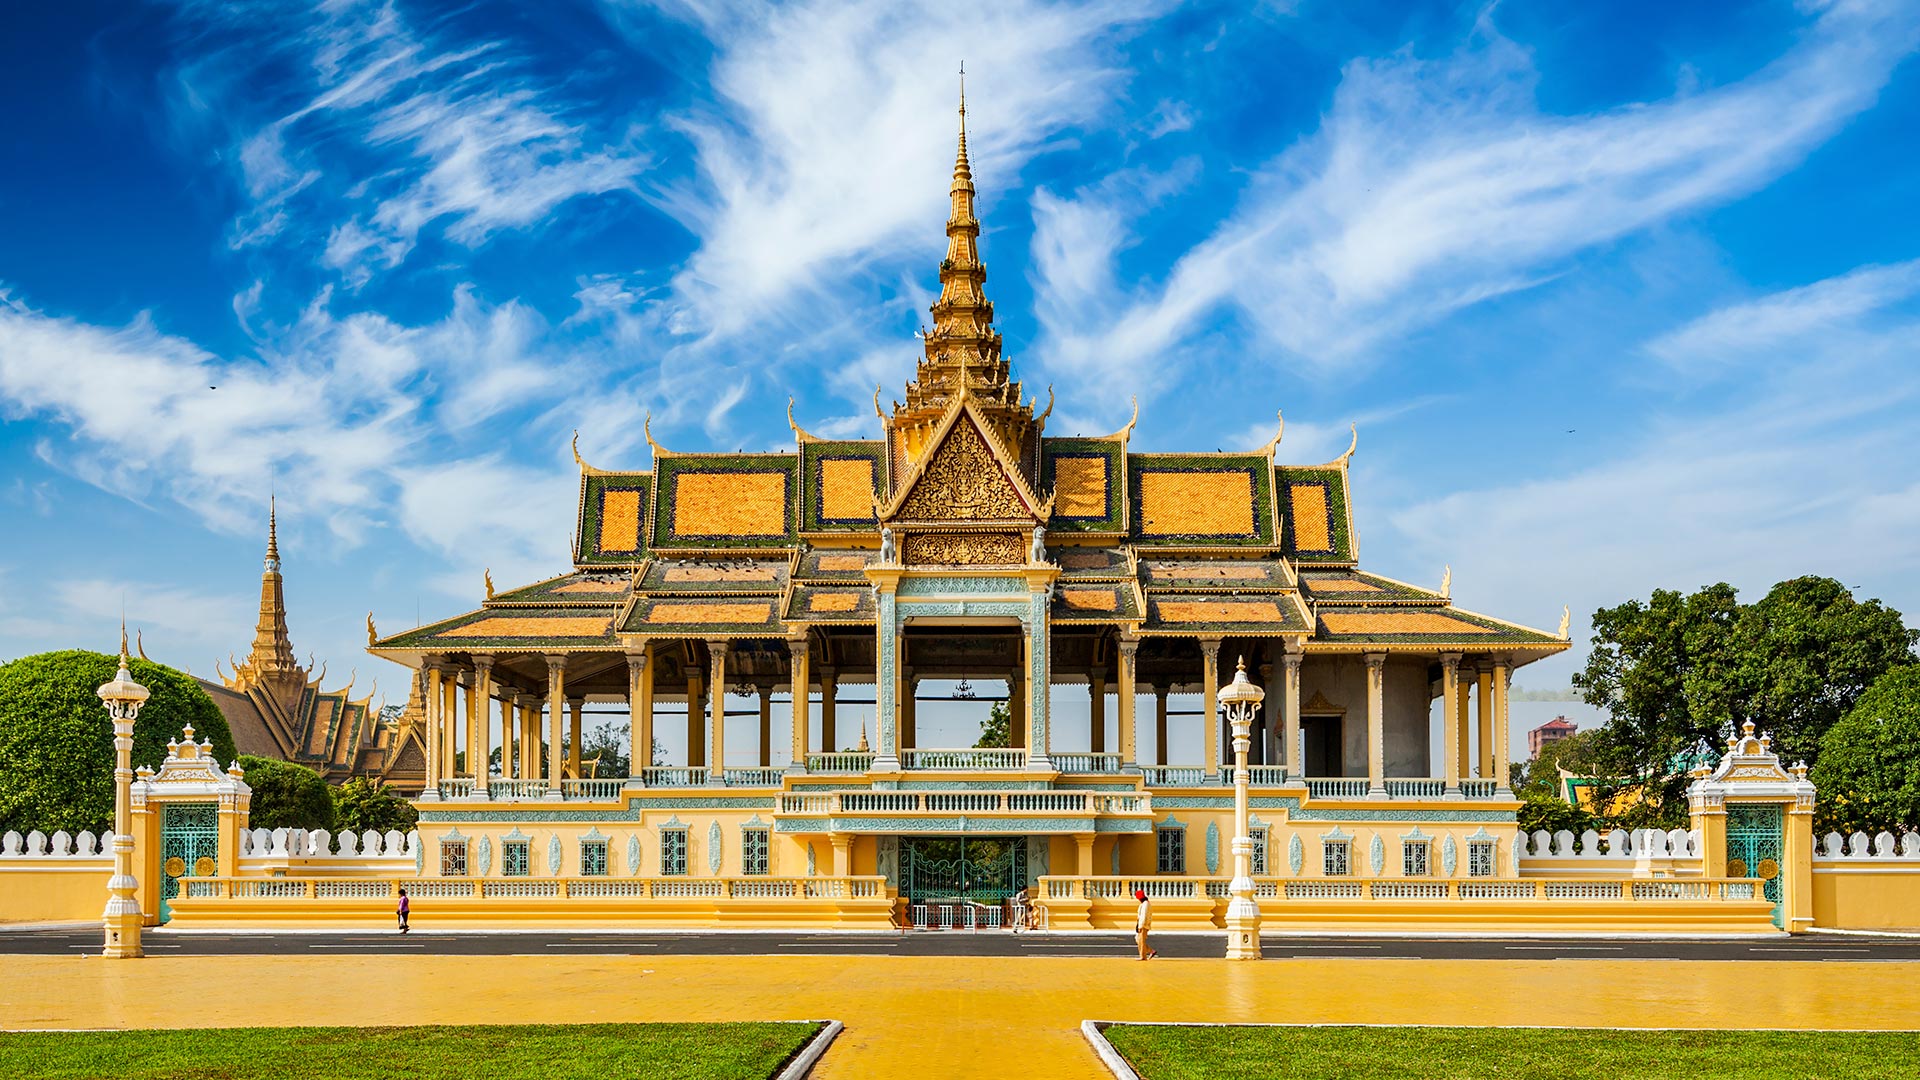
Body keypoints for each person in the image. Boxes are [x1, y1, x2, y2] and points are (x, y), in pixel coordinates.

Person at [1134, 888, 1155, 960]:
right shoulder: (1144, 903)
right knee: (1138, 939)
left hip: (1143, 925)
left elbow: (1143, 915)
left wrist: (1141, 925)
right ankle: (1150, 951)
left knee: (1141, 941)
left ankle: (1143, 956)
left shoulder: (1145, 904)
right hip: (1141, 924)